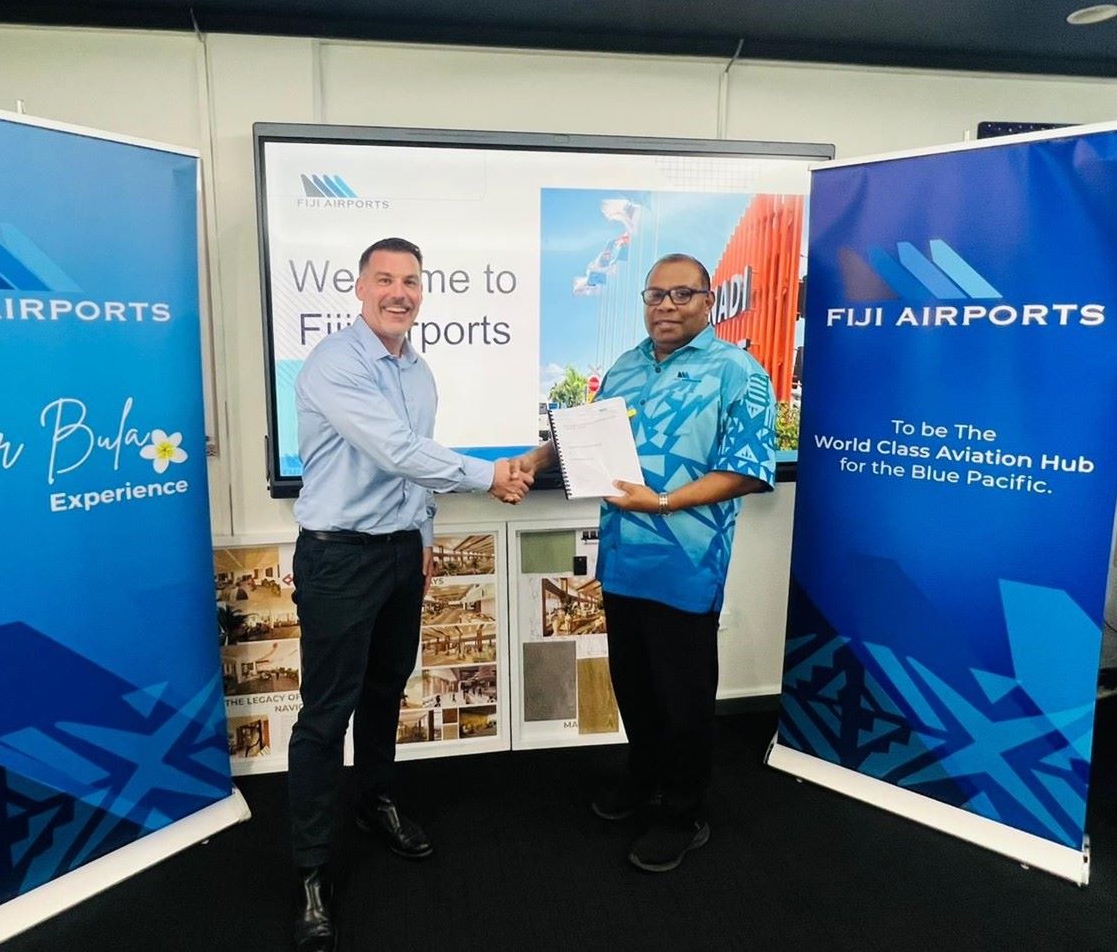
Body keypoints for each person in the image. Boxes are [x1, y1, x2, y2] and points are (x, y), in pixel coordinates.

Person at [288, 237, 530, 952]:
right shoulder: (335, 363)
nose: (400, 292)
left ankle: (374, 802)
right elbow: (394, 449)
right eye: (385, 279)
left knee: (385, 691)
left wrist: (421, 538)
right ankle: (311, 872)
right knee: (324, 716)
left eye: (412, 282)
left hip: (399, 554)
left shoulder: (418, 371)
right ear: (360, 287)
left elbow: (411, 473)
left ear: (422, 292)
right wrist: (491, 475)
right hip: (339, 558)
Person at [513, 252, 776, 873]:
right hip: (623, 555)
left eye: (682, 294)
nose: (666, 306)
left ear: (709, 301)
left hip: (687, 563)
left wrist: (661, 502)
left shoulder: (737, 371)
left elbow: (748, 470)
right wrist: (533, 460)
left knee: (683, 695)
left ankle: (683, 813)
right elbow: (584, 438)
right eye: (655, 295)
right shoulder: (627, 366)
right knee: (632, 682)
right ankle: (644, 776)